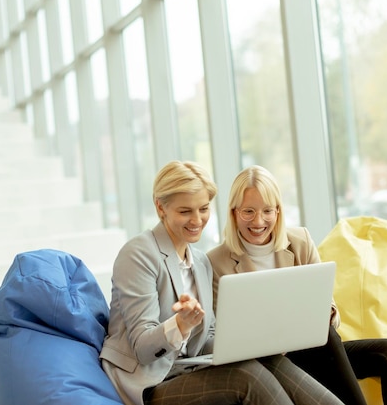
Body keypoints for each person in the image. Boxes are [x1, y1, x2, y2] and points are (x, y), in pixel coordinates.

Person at [100, 160, 345, 405]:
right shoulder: (139, 254)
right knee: (248, 377)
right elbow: (143, 349)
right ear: (160, 208)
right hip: (151, 383)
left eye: (204, 208)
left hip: (189, 369)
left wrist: (253, 339)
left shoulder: (200, 262)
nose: (197, 220)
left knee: (269, 359)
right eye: (185, 211)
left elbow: (209, 338)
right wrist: (179, 325)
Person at [207, 165, 387, 405]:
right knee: (326, 338)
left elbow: (330, 309)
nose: (258, 221)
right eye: (248, 211)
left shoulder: (300, 242)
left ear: (278, 211)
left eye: (267, 210)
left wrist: (327, 312)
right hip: (270, 363)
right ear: (234, 212)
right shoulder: (215, 262)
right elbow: (225, 334)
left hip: (316, 349)